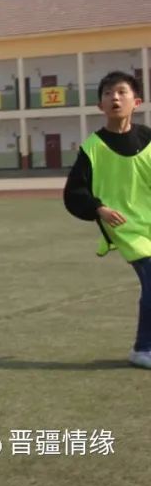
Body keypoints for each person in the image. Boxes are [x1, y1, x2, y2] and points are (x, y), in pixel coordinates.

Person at [64, 70, 151, 369]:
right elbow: (73, 193)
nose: (114, 98)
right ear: (100, 105)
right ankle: (143, 349)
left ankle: (144, 346)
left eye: (121, 92)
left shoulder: (149, 139)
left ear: (136, 101)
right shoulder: (92, 148)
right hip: (125, 229)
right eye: (107, 94)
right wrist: (99, 208)